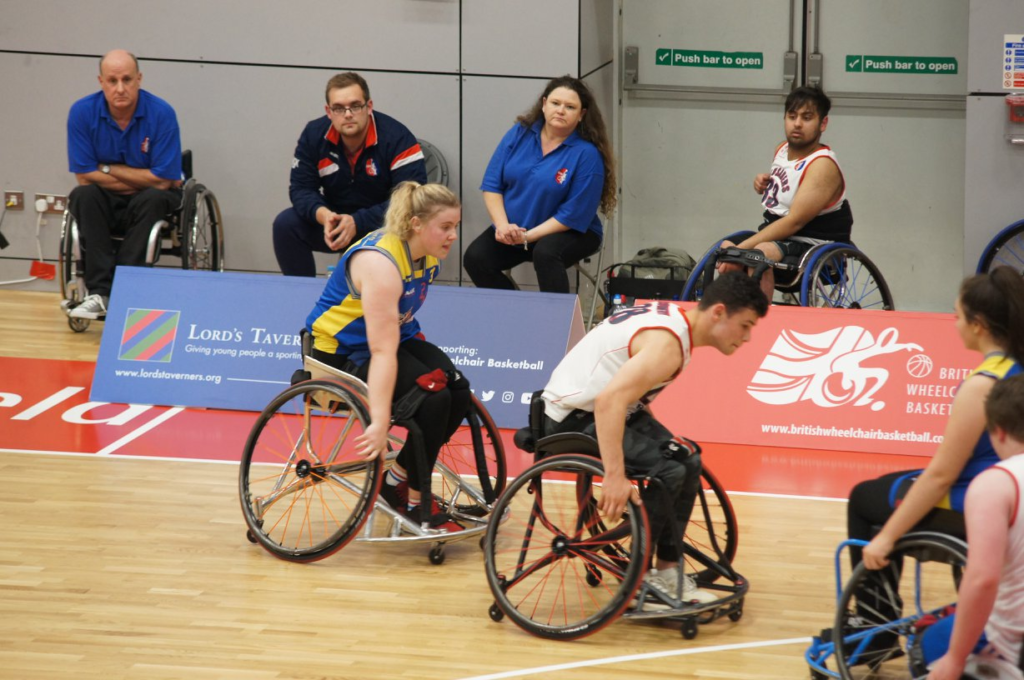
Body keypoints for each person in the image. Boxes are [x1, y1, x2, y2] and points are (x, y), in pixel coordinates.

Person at [539, 272, 768, 605]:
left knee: (685, 458)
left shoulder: (678, 324)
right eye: (745, 325)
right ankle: (638, 578)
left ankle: (667, 571)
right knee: (671, 470)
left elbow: (628, 399)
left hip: (593, 407)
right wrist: (615, 478)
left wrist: (664, 447)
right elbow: (609, 402)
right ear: (718, 312)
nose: (746, 338)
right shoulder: (668, 344)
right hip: (569, 418)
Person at [835, 268, 1024, 653]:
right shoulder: (1017, 366)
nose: (954, 323)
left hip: (978, 498)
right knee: (894, 483)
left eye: (957, 316)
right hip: (1014, 490)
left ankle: (877, 624)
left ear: (978, 325)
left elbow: (940, 476)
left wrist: (886, 538)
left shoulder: (982, 385)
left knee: (864, 498)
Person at [305, 181, 466, 531]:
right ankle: (408, 492)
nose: (453, 236)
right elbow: (380, 351)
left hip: (389, 341)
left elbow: (400, 324)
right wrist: (379, 422)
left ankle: (397, 478)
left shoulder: (427, 257)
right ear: (416, 225)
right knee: (433, 400)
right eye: (446, 227)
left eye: (456, 226)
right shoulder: (381, 267)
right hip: (340, 353)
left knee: (457, 389)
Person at [464, 75, 616, 294]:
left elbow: (570, 215)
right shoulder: (520, 133)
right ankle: (516, 315)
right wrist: (503, 226)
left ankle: (557, 324)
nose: (561, 110)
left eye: (570, 107)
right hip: (516, 228)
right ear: (544, 104)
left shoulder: (587, 154)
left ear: (581, 114)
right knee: (476, 258)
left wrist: (527, 237)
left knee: (545, 254)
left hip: (572, 232)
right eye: (555, 103)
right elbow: (492, 186)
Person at [65, 49, 183, 320]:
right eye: (112, 80)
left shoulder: (162, 113)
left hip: (154, 199)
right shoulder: (82, 112)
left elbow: (164, 181)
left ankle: (126, 291)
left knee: (152, 198)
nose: (120, 88)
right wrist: (143, 177)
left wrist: (105, 168)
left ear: (139, 79)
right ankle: (99, 293)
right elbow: (84, 176)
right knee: (83, 195)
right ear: (101, 81)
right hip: (104, 198)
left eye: (127, 80)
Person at [274, 72, 427, 277]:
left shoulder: (398, 137)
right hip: (336, 222)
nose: (347, 114)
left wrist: (357, 222)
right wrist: (325, 216)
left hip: (384, 225)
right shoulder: (314, 134)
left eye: (355, 106)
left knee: (407, 223)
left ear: (369, 106)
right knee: (286, 224)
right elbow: (301, 189)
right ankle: (302, 296)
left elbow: (411, 199)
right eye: (338, 108)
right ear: (329, 111)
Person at [923, 374, 1024, 680]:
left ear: (997, 431)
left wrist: (954, 658)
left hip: (1013, 642)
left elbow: (982, 579)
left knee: (930, 642)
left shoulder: (996, 483)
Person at [718, 86, 852, 300]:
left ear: (823, 123)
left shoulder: (823, 165)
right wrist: (763, 182)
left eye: (807, 117)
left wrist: (740, 250)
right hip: (780, 235)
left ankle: (762, 321)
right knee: (725, 247)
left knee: (754, 253)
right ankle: (735, 315)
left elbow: (794, 222)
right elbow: (787, 185)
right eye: (792, 116)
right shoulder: (781, 150)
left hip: (814, 244)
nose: (797, 123)